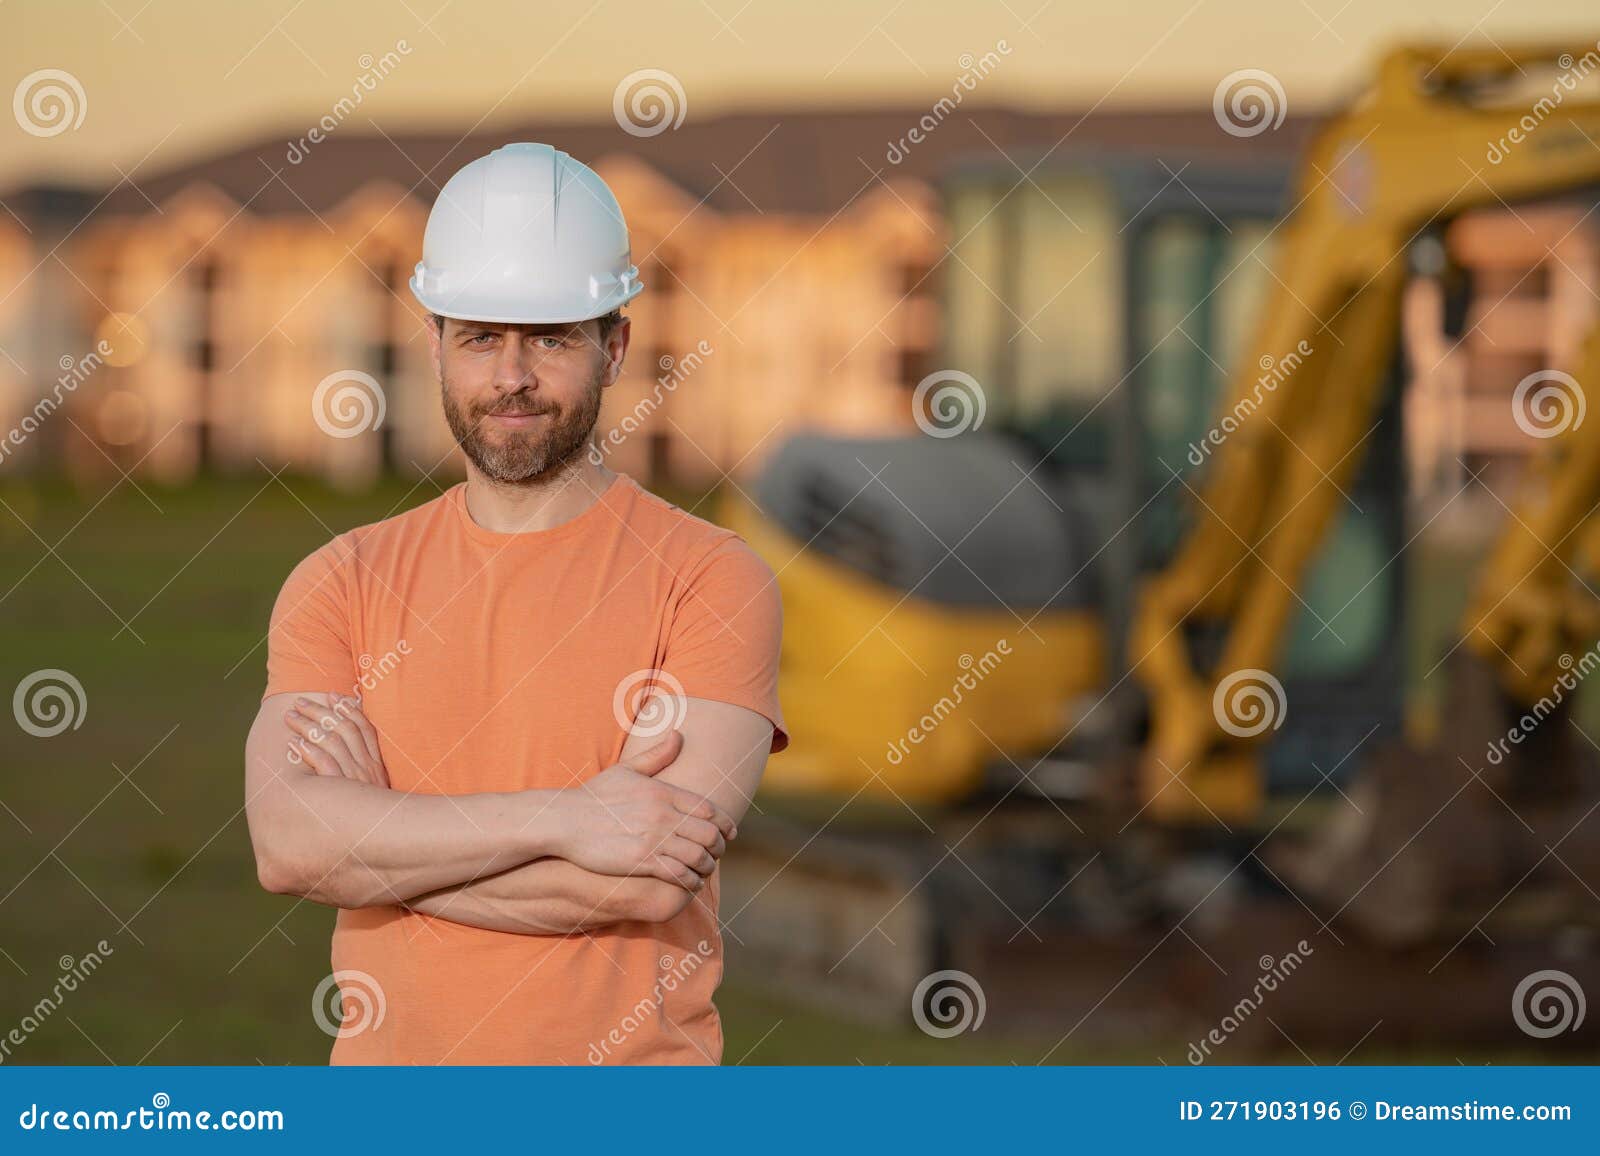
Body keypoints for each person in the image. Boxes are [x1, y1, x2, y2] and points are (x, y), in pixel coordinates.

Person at [243, 142, 786, 1065]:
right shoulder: (338, 580)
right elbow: (289, 848)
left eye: (552, 337)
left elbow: (647, 884)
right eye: (482, 337)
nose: (512, 377)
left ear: (614, 346)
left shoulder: (714, 577)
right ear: (435, 343)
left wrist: (373, 849)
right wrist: (568, 820)